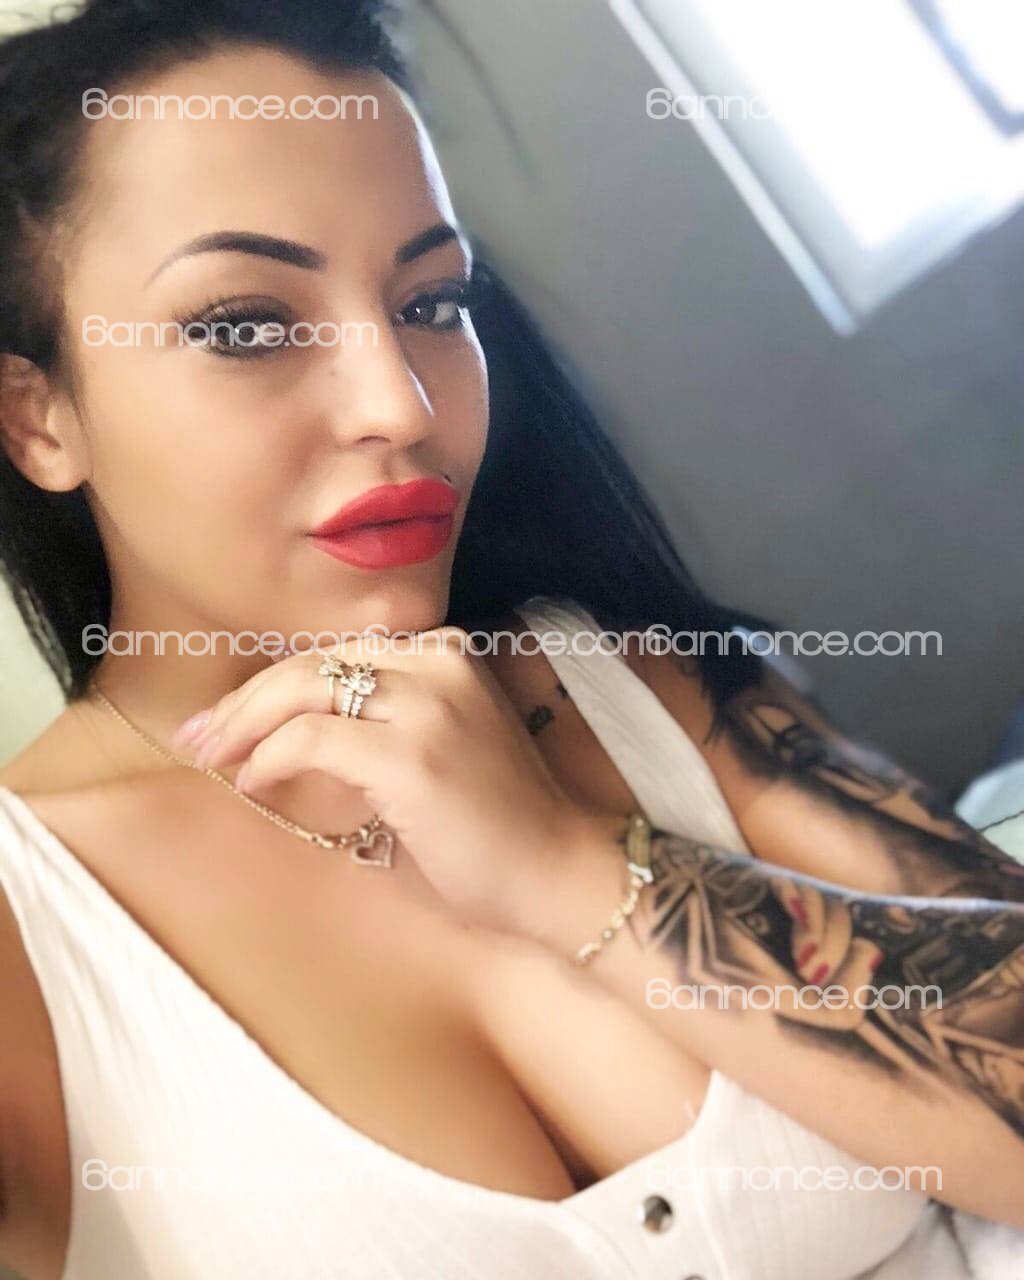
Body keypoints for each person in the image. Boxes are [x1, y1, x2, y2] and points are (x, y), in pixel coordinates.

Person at [0, 2, 1021, 1277]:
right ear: (37, 419)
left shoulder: (617, 679)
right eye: (246, 325)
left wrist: (571, 869)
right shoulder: (37, 928)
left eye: (433, 301)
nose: (399, 402)